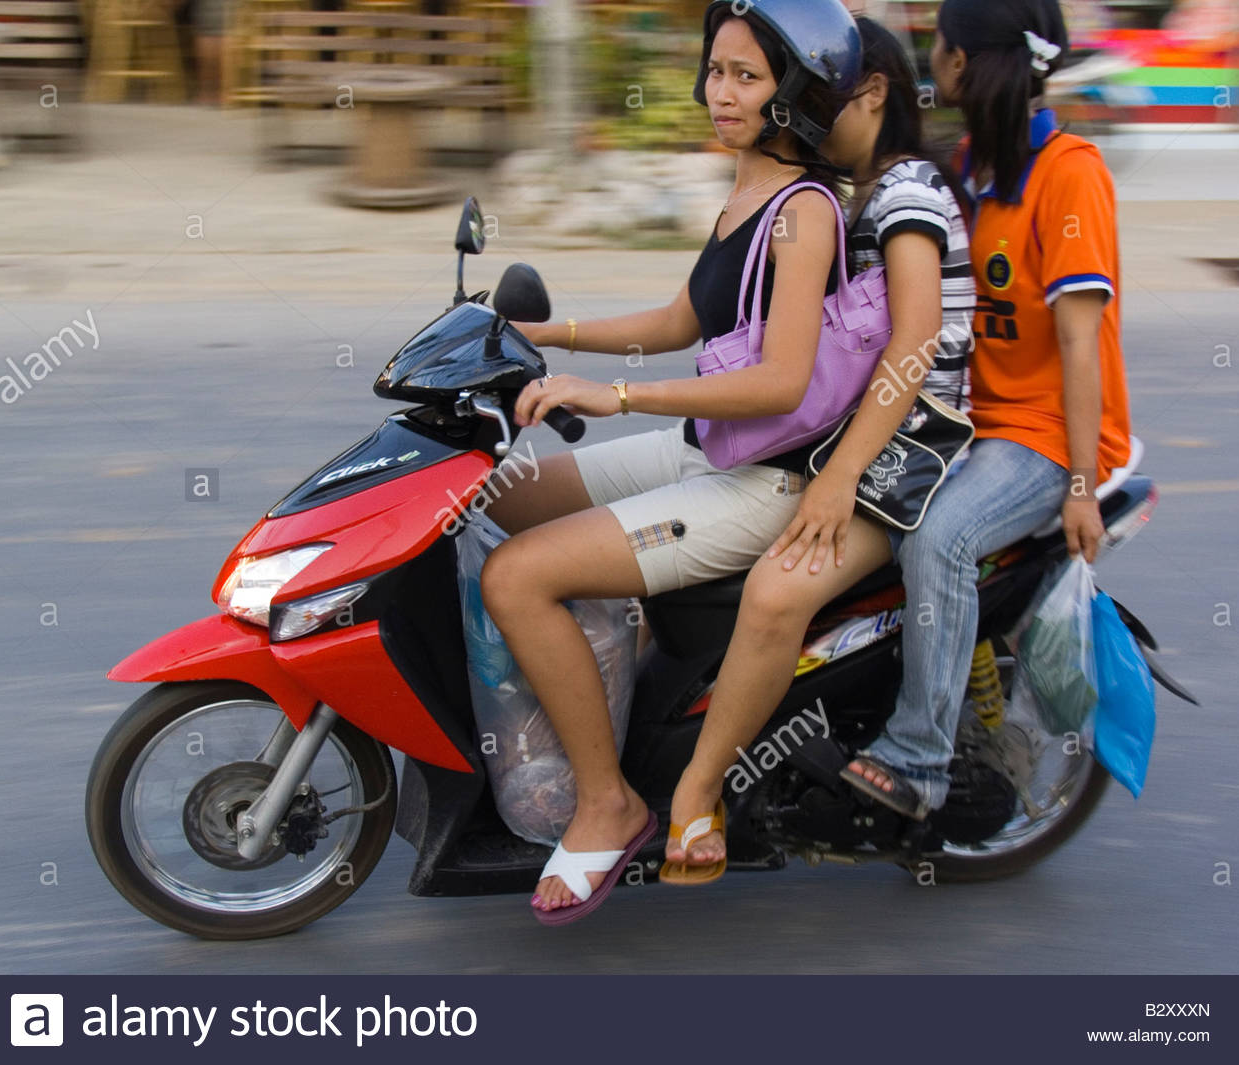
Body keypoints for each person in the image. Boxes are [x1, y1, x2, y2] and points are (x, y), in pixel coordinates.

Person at [479, 0, 861, 922]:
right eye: (715, 71)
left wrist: (607, 396)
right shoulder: (744, 190)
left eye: (746, 77)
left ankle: (609, 801)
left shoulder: (803, 212)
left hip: (762, 482)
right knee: (502, 497)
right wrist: (539, 334)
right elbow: (682, 322)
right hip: (704, 447)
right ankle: (606, 690)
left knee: (517, 577)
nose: (718, 93)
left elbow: (779, 381)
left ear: (795, 94)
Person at [660, 15, 977, 878]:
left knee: (773, 593)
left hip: (913, 442)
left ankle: (698, 788)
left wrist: (839, 478)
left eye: (819, 89)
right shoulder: (847, 193)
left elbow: (912, 346)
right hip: (852, 430)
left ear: (868, 94)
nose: (800, 107)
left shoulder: (906, 190)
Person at [839, 0, 1133, 820]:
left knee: (941, 536)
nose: (932, 59)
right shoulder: (969, 167)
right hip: (967, 421)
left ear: (966, 63)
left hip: (1042, 437)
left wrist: (1079, 483)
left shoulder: (1070, 171)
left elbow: (1080, 344)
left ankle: (920, 758)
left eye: (939, 45)